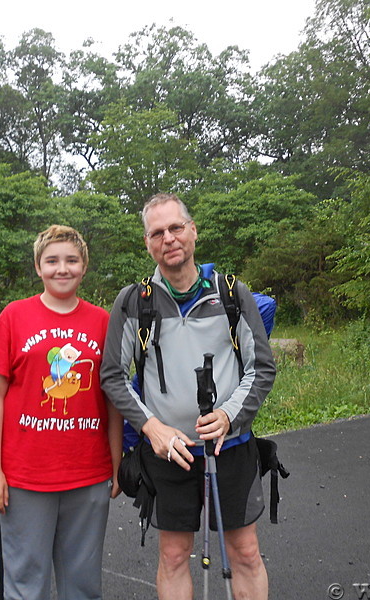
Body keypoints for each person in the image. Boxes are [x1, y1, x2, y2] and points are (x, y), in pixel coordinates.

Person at [101, 193, 276, 600]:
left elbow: (261, 368)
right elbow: (112, 375)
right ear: (147, 243)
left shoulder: (232, 293)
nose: (169, 239)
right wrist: (152, 427)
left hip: (229, 446)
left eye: (176, 227)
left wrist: (231, 415)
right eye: (157, 232)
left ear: (193, 231)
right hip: (167, 452)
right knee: (175, 555)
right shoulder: (133, 302)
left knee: (246, 553)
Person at [0, 225, 123, 600]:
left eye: (71, 260)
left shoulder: (102, 322)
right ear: (38, 267)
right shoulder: (14, 316)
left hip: (88, 474)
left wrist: (117, 461)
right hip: (25, 477)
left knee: (83, 583)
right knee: (27, 582)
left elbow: (112, 398)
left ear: (84, 267)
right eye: (52, 261)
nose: (63, 269)